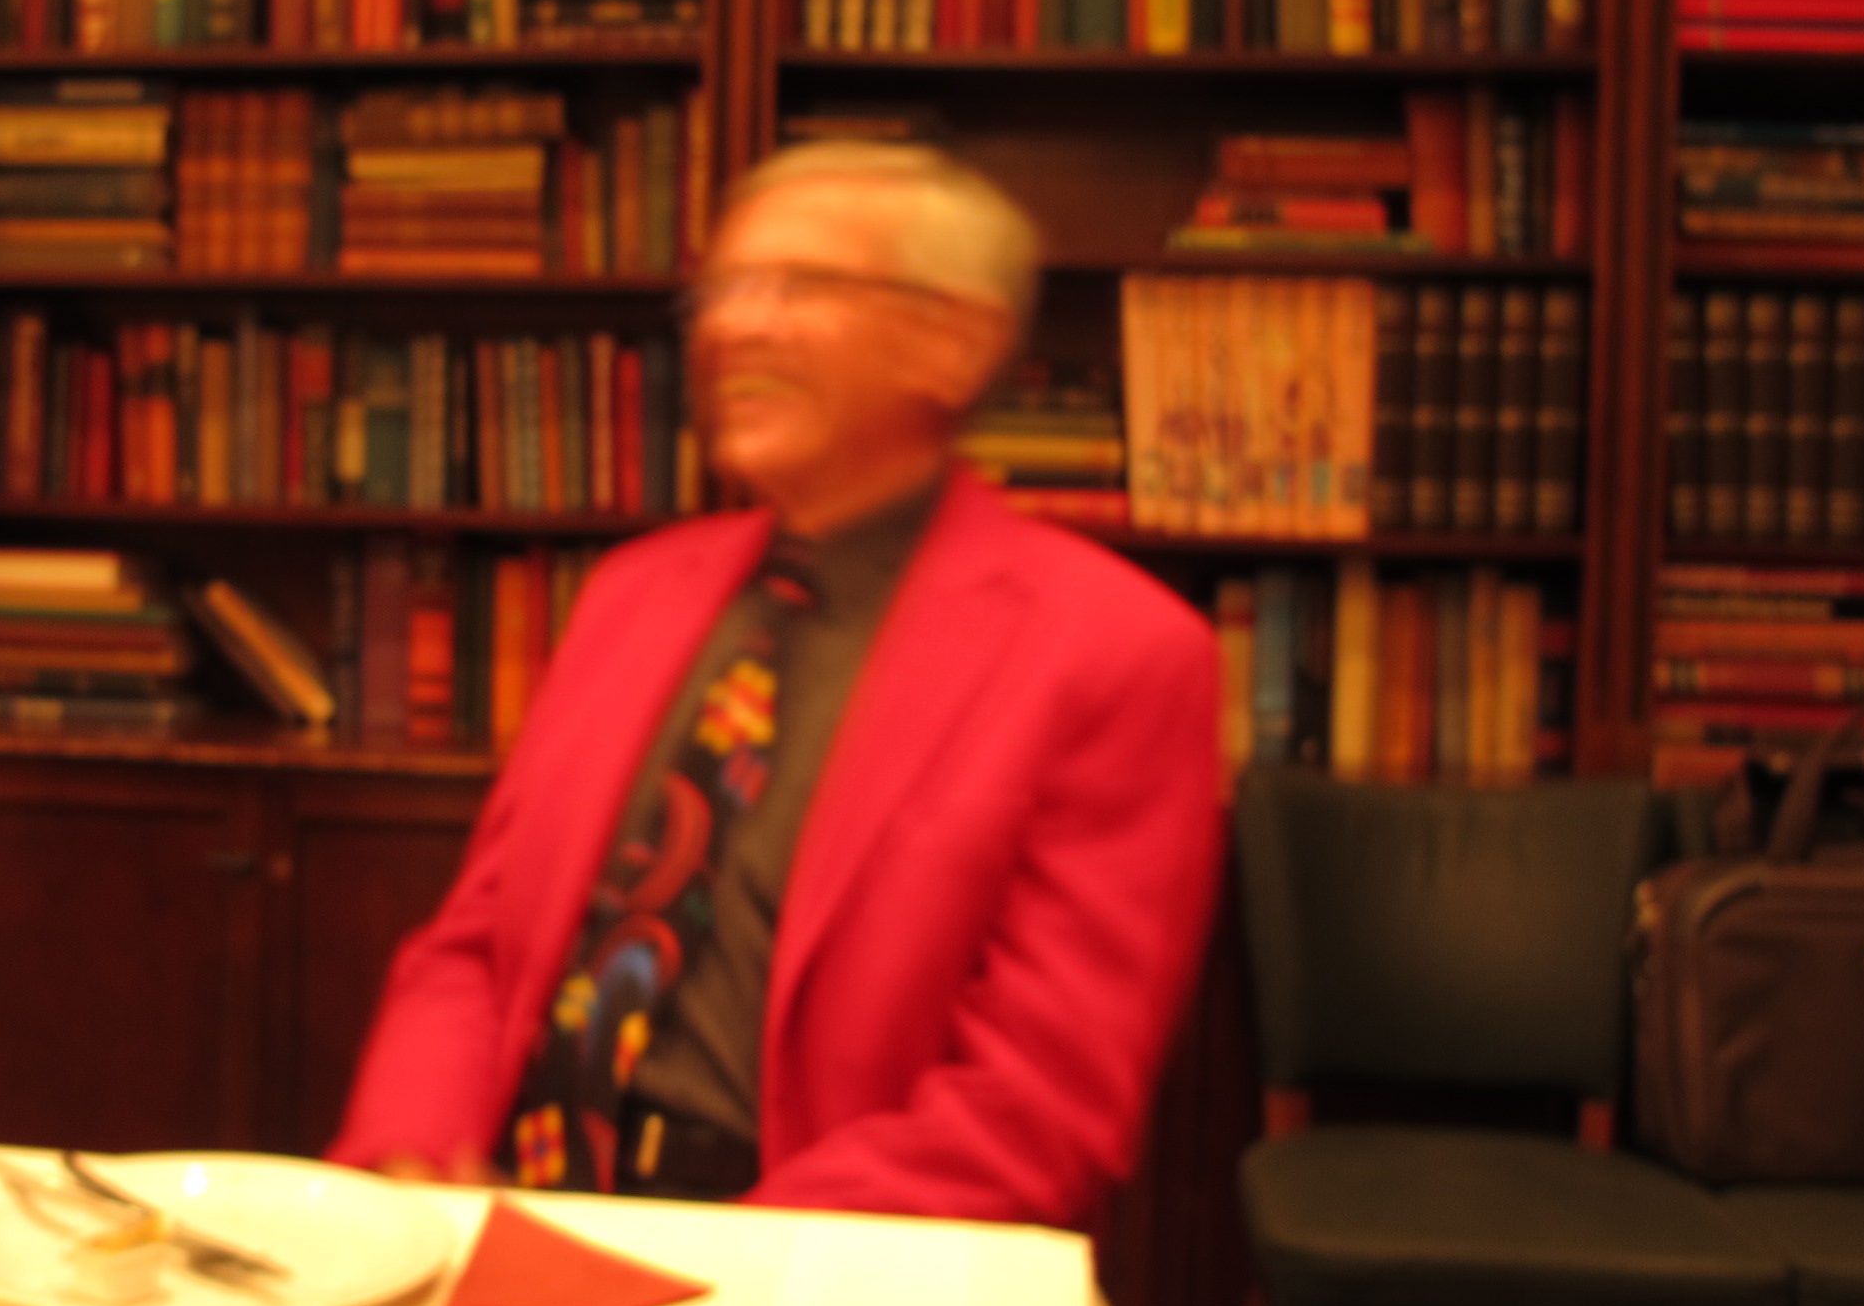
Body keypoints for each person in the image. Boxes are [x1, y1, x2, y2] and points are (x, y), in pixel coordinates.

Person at [327, 143, 1224, 1222]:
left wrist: (728, 1270)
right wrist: (412, 1159)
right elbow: (475, 946)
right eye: (724, 289)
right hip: (502, 1210)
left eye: (802, 286)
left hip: (811, 1249)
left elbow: (1034, 1108)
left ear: (953, 344)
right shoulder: (631, 594)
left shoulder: (1115, 653)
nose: (736, 327)